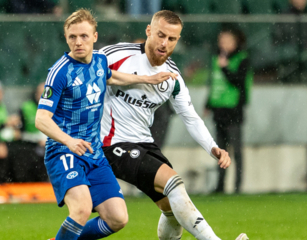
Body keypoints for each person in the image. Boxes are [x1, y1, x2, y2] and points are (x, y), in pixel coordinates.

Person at [100, 10, 248, 240]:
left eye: (171, 39)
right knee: (174, 183)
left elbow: (190, 116)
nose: (164, 43)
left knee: (171, 209)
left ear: (177, 41)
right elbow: (80, 69)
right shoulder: (116, 55)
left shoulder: (173, 77)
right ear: (148, 31)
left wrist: (212, 147)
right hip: (112, 143)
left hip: (144, 144)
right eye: (160, 35)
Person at [35, 9, 177, 240]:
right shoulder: (59, 72)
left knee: (117, 218)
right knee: (81, 210)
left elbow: (111, 76)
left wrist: (147, 79)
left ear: (95, 37)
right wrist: (69, 141)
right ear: (66, 38)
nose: (78, 42)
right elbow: (41, 119)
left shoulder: (100, 61)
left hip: (94, 153)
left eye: (83, 36)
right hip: (64, 152)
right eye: (72, 37)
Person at [205, 29, 253, 194]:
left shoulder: (242, 59)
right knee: (220, 151)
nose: (223, 44)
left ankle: (238, 187)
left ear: (235, 42)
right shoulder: (216, 59)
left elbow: (238, 82)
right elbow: (213, 84)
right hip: (219, 110)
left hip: (233, 110)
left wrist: (225, 68)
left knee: (236, 151)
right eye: (221, 40)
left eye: (226, 40)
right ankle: (220, 186)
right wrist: (208, 103)